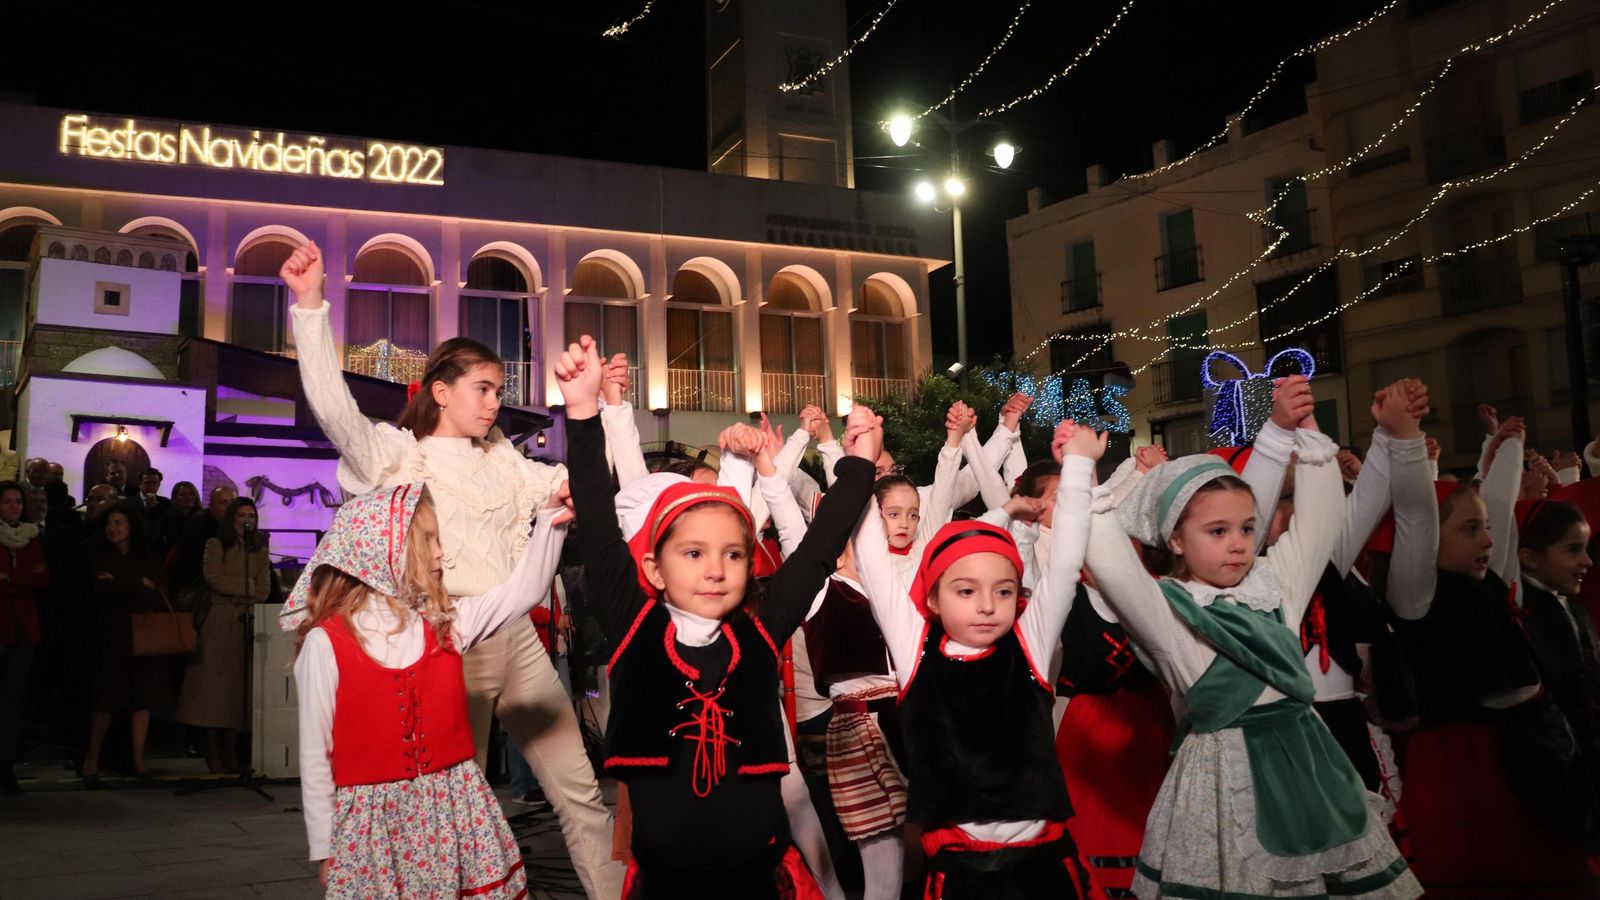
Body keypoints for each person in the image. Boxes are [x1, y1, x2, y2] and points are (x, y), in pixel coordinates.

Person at [281, 241, 623, 899]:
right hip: (446, 642)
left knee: (580, 793)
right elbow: (334, 411)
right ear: (440, 391)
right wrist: (310, 306)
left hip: (517, 638)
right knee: (447, 805)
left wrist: (602, 408)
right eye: (483, 389)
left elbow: (577, 483)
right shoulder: (395, 457)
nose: (495, 402)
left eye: (500, 390)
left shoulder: (505, 460)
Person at [560, 333, 878, 898]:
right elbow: (598, 520)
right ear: (654, 569)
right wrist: (584, 414)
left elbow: (821, 546)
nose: (715, 569)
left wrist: (857, 464)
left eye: (733, 554)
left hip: (757, 881)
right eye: (694, 553)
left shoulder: (758, 631)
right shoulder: (636, 629)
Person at [1085, 376, 1419, 899]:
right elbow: (1113, 566)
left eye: (1246, 528)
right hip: (1223, 772)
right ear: (1175, 538)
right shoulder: (1169, 609)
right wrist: (1082, 471)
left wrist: (1305, 434)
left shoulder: (1273, 585)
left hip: (1312, 765)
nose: (1239, 544)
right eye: (1217, 532)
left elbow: (1319, 525)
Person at [850, 418, 1100, 898]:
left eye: (1003, 591)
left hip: (1044, 863)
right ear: (935, 600)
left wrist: (1076, 471)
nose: (987, 605)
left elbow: (1066, 563)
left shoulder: (1028, 643)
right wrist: (863, 462)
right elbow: (874, 565)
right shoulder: (915, 651)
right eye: (966, 590)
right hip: (961, 870)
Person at [287, 483, 569, 898]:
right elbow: (315, 755)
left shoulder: (446, 623)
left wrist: (549, 520)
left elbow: (522, 592)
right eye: (428, 541)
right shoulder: (325, 644)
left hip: (455, 808)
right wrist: (324, 848)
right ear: (380, 550)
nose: (441, 553)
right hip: (373, 823)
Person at [176, 496, 271, 773]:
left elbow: (263, 590)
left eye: (250, 515)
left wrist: (243, 589)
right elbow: (213, 577)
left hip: (244, 624)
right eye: (240, 515)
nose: (246, 520)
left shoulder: (260, 552)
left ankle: (231, 750)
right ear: (232, 519)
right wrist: (246, 586)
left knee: (236, 692)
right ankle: (212, 751)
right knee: (211, 691)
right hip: (217, 622)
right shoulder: (215, 545)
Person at [81, 500, 170, 783]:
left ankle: (139, 759)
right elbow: (102, 590)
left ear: (131, 526)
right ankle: (92, 758)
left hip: (143, 631)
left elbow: (158, 592)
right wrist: (137, 584)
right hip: (112, 632)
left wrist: (124, 584)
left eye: (118, 523)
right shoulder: (99, 555)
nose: (113, 528)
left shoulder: (146, 555)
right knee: (106, 697)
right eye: (109, 523)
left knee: (141, 697)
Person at [0, 481, 49, 794]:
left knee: (12, 701)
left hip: (22, 627)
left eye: (18, 501)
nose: (14, 506)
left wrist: (10, 578)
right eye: (7, 501)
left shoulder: (31, 538)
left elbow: (42, 577)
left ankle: (6, 764)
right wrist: (23, 580)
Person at [170, 486, 237, 594]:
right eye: (224, 502)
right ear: (211, 505)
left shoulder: (235, 524)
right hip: (198, 587)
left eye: (233, 502)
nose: (230, 507)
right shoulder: (200, 524)